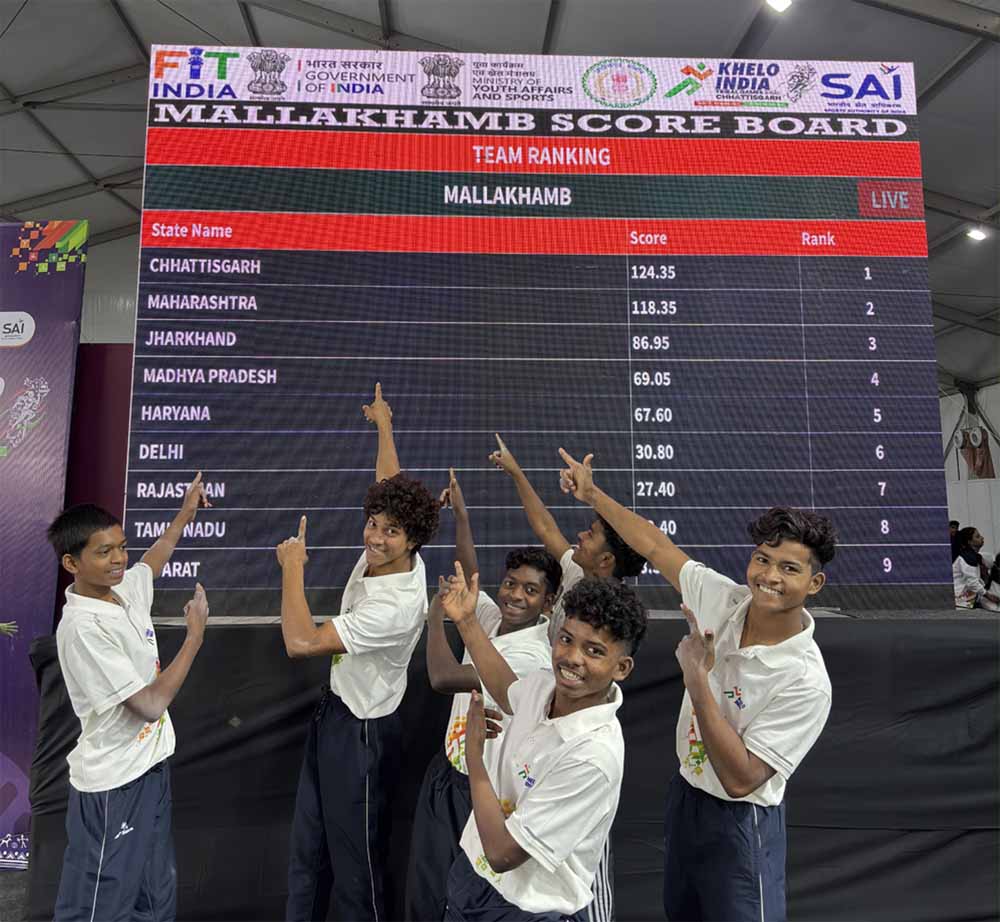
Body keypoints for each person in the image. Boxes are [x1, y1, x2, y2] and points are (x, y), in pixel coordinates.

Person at [557, 449, 834, 922]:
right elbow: (655, 545)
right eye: (763, 559)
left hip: (742, 823)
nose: (769, 576)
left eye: (789, 568)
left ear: (815, 583)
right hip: (687, 795)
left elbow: (741, 779)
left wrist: (697, 680)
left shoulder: (806, 680)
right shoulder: (724, 600)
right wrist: (593, 495)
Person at [276, 383, 440, 921]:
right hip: (336, 715)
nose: (375, 537)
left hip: (363, 735)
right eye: (373, 523)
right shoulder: (392, 551)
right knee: (308, 849)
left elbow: (300, 642)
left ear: (413, 541)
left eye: (391, 531)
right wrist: (384, 425)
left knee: (356, 869)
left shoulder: (394, 606)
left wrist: (293, 570)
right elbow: (389, 484)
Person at [438, 561, 647, 922]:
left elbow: (503, 854)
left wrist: (475, 758)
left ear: (622, 668)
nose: (572, 658)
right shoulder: (543, 684)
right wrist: (467, 621)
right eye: (566, 639)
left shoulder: (593, 756)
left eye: (594, 651)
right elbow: (507, 689)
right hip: (475, 877)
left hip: (528, 908)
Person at [48, 474, 212, 922]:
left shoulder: (122, 590)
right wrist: (194, 637)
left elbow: (154, 558)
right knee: (101, 907)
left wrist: (184, 514)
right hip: (113, 786)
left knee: (154, 899)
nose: (119, 559)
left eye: (121, 547)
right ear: (71, 562)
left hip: (150, 771)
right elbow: (150, 706)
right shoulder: (83, 629)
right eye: (104, 552)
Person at [405, 468, 560, 921]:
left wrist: (436, 615)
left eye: (531, 590)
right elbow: (469, 572)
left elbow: (443, 677)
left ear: (548, 603)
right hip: (447, 772)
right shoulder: (492, 620)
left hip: (481, 790)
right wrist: (462, 517)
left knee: (459, 898)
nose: (515, 595)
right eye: (510, 583)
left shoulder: (532, 656)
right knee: (426, 889)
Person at [952, 526, 1000, 611]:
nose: (982, 537)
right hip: (960, 598)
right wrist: (988, 595)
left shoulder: (977, 556)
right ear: (969, 542)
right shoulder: (967, 557)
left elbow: (992, 560)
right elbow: (972, 583)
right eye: (977, 536)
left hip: (969, 595)